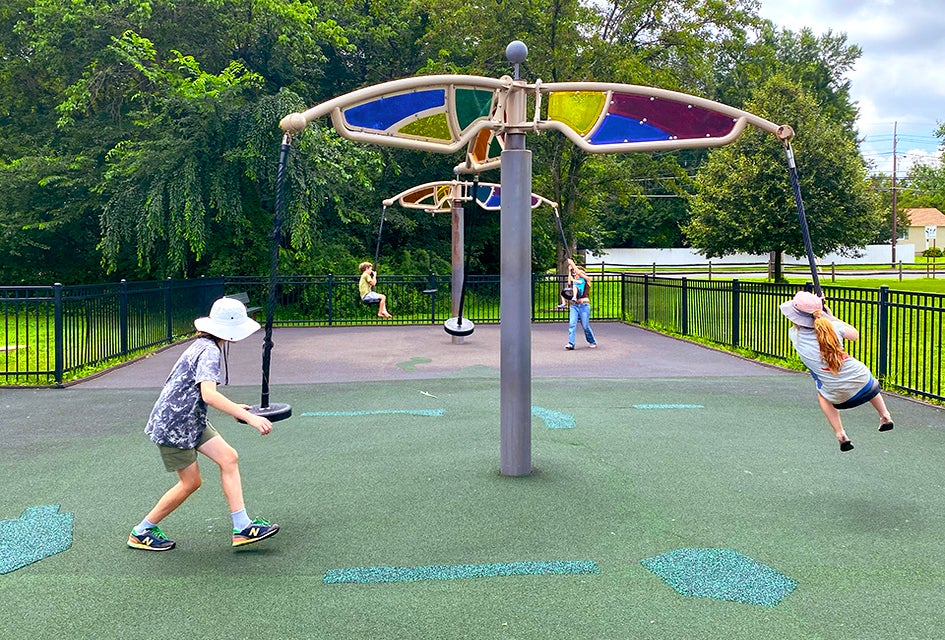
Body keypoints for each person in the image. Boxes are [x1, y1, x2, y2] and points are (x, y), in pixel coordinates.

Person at [127, 296, 280, 551]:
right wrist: (251, 417)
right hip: (174, 425)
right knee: (190, 483)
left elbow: (199, 392)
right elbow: (209, 394)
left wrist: (236, 409)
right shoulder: (209, 351)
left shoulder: (203, 344)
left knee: (228, 458)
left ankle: (242, 527)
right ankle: (141, 531)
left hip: (192, 421)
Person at [780, 290, 894, 452]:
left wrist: (821, 316)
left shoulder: (794, 335)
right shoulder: (834, 327)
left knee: (822, 393)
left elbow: (811, 326)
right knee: (860, 374)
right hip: (864, 382)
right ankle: (885, 415)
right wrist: (830, 318)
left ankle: (841, 434)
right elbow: (854, 335)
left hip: (837, 395)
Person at [564, 258, 598, 350]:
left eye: (580, 273)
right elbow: (569, 281)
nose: (578, 274)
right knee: (572, 324)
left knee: (585, 326)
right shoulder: (575, 283)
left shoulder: (587, 280)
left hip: (584, 305)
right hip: (574, 306)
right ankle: (571, 343)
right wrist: (570, 270)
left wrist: (573, 264)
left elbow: (579, 273)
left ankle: (592, 341)